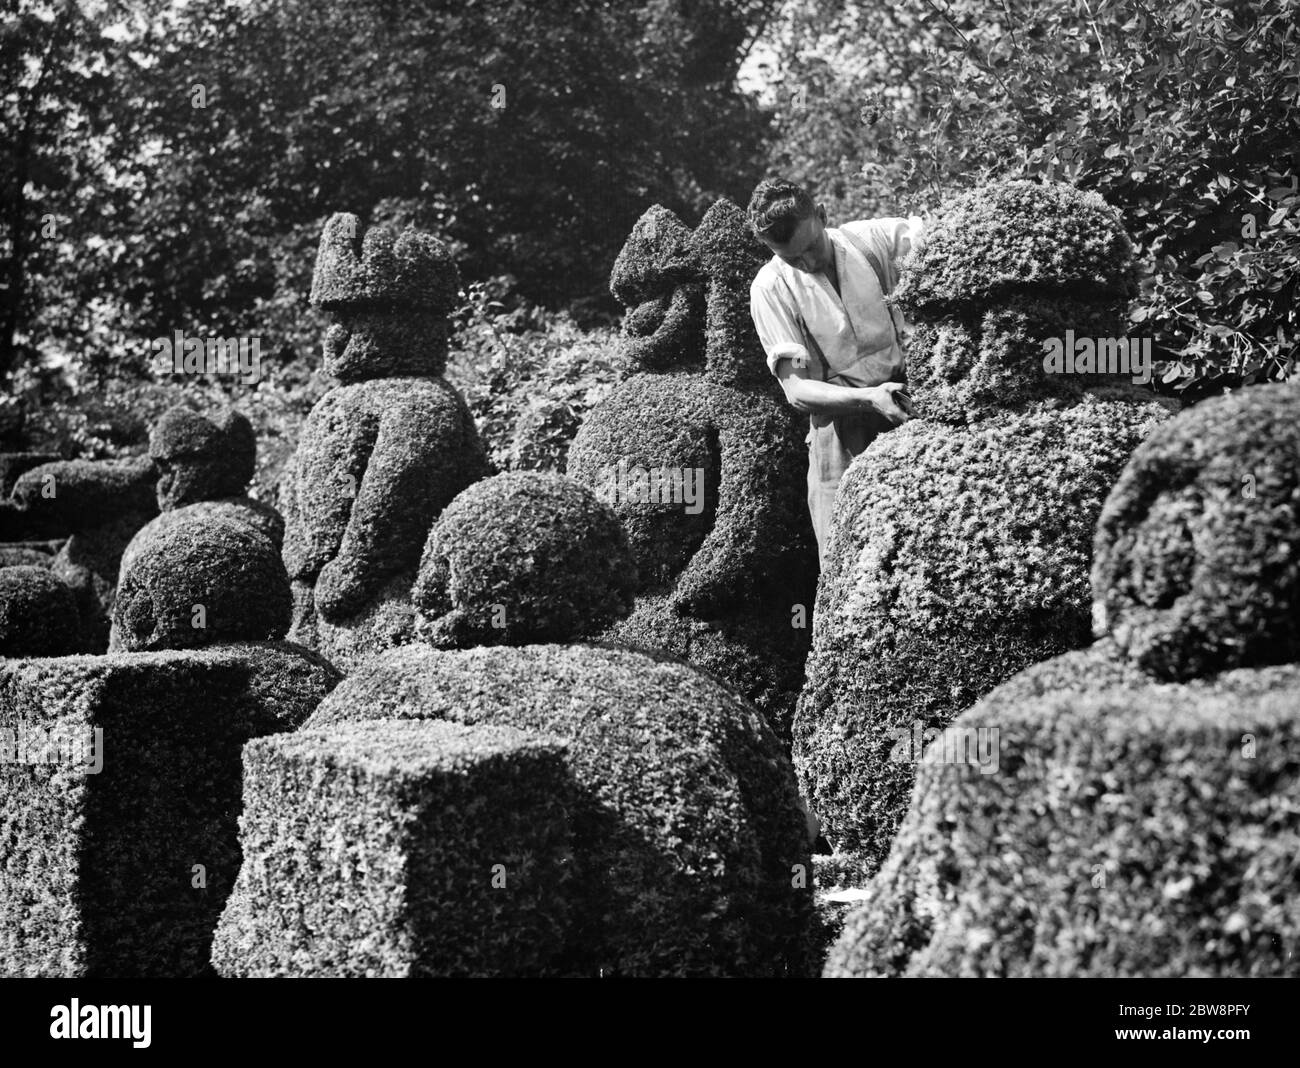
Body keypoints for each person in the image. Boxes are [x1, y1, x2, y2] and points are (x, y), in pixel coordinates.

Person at [748, 178, 923, 564]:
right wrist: (867, 399)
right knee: (847, 562)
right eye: (793, 258)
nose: (808, 263)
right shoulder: (771, 288)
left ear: (823, 216)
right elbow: (797, 390)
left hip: (907, 412)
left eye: (811, 247)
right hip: (839, 435)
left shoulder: (872, 240)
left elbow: (944, 239)